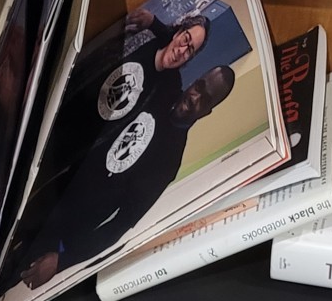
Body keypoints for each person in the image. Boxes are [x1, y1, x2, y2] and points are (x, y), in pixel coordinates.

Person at [19, 60, 237, 287]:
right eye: (199, 87)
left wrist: (62, 260)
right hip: (48, 192)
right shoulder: (162, 88)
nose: (195, 98)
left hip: (59, 234)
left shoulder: (169, 161)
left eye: (205, 100)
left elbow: (120, 225)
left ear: (207, 112)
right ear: (194, 81)